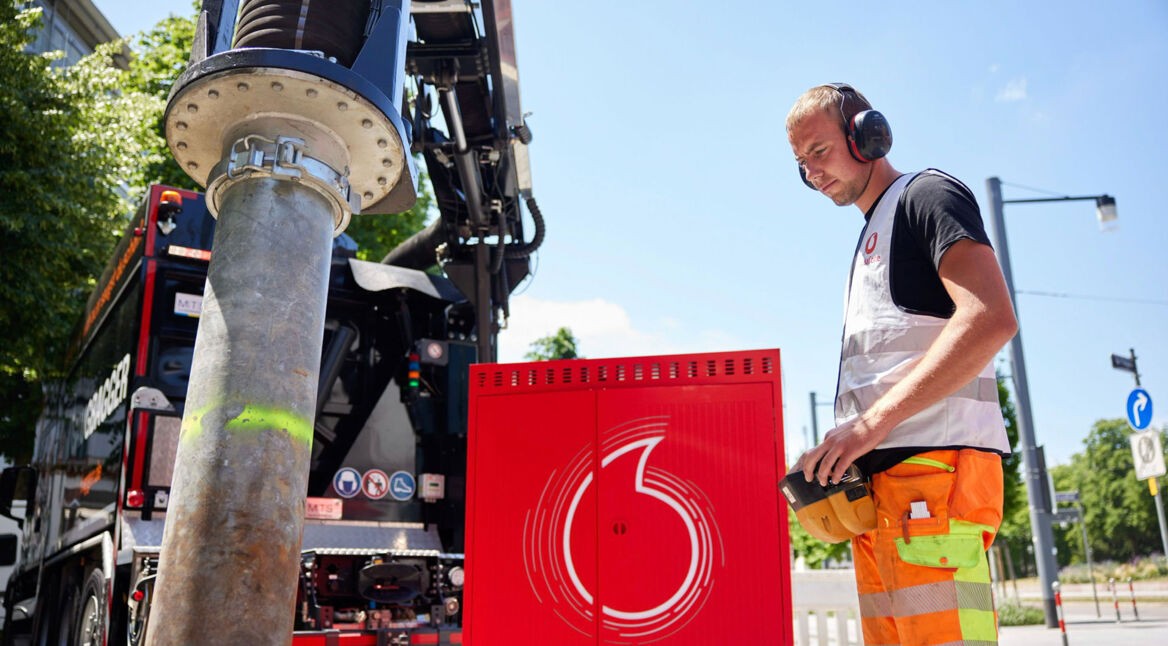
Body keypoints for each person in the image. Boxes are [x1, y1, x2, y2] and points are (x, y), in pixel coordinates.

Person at [787, 83, 1018, 646]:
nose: (813, 174)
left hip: (934, 490)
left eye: (819, 152)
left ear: (869, 135)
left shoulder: (926, 196)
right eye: (801, 165)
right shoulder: (875, 234)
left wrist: (869, 426)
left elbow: (991, 318)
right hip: (890, 498)